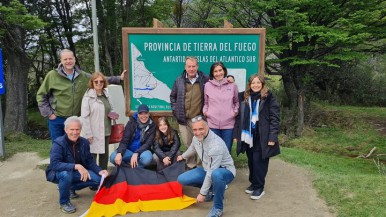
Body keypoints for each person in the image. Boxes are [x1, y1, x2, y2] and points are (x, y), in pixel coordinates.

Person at [36, 49, 124, 142]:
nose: (68, 61)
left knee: (75, 147)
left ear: (74, 59)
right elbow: (41, 95)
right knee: (58, 146)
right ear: (61, 61)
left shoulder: (82, 75)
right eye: (65, 59)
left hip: (76, 119)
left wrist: (119, 78)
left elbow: (99, 79)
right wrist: (49, 114)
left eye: (70, 58)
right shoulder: (52, 75)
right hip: (58, 118)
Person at [46, 116, 109, 214]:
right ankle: (64, 202)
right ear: (65, 130)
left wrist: (99, 170)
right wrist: (77, 166)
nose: (75, 132)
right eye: (72, 129)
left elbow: (89, 161)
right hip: (60, 173)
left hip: (77, 172)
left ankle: (69, 187)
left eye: (77, 129)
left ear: (80, 130)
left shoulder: (84, 142)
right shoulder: (58, 143)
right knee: (66, 175)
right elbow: (54, 164)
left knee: (99, 179)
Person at [177, 115, 236, 217]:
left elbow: (211, 171)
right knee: (182, 179)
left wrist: (202, 193)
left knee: (216, 175)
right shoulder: (196, 138)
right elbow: (192, 148)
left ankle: (218, 208)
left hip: (224, 171)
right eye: (195, 130)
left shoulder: (215, 145)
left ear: (207, 127)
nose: (198, 132)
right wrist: (182, 156)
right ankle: (211, 190)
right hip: (207, 169)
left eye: (201, 129)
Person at [234, 73, 280, 200]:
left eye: (258, 82)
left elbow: (274, 119)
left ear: (262, 84)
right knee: (251, 161)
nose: (255, 85)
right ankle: (254, 184)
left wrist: (272, 137)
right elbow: (239, 117)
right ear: (250, 84)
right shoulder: (244, 97)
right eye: (253, 83)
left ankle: (259, 187)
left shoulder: (269, 98)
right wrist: (237, 134)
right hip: (248, 135)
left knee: (259, 162)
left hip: (263, 136)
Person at [170, 56, 209, 169]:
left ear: (197, 66)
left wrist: (230, 78)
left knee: (201, 143)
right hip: (184, 119)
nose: (191, 69)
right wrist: (175, 111)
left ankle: (201, 167)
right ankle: (190, 166)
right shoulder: (179, 80)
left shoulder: (205, 79)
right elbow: (173, 96)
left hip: (199, 120)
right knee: (188, 144)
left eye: (193, 66)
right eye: (189, 66)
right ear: (185, 67)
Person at [81, 72, 119, 170]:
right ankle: (93, 179)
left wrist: (112, 114)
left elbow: (111, 108)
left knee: (104, 155)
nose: (99, 83)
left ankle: (103, 176)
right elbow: (84, 117)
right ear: (92, 82)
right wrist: (88, 133)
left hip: (106, 130)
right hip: (93, 132)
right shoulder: (87, 97)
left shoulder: (106, 93)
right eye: (96, 81)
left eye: (101, 81)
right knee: (92, 155)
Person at [203, 62, 239, 153]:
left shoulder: (232, 85)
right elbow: (206, 103)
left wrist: (234, 112)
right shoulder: (207, 86)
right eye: (215, 71)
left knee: (226, 151)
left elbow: (236, 102)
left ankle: (225, 167)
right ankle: (215, 168)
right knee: (214, 151)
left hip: (228, 125)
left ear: (224, 71)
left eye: (220, 70)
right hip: (213, 125)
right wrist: (206, 112)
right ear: (212, 73)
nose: (218, 73)